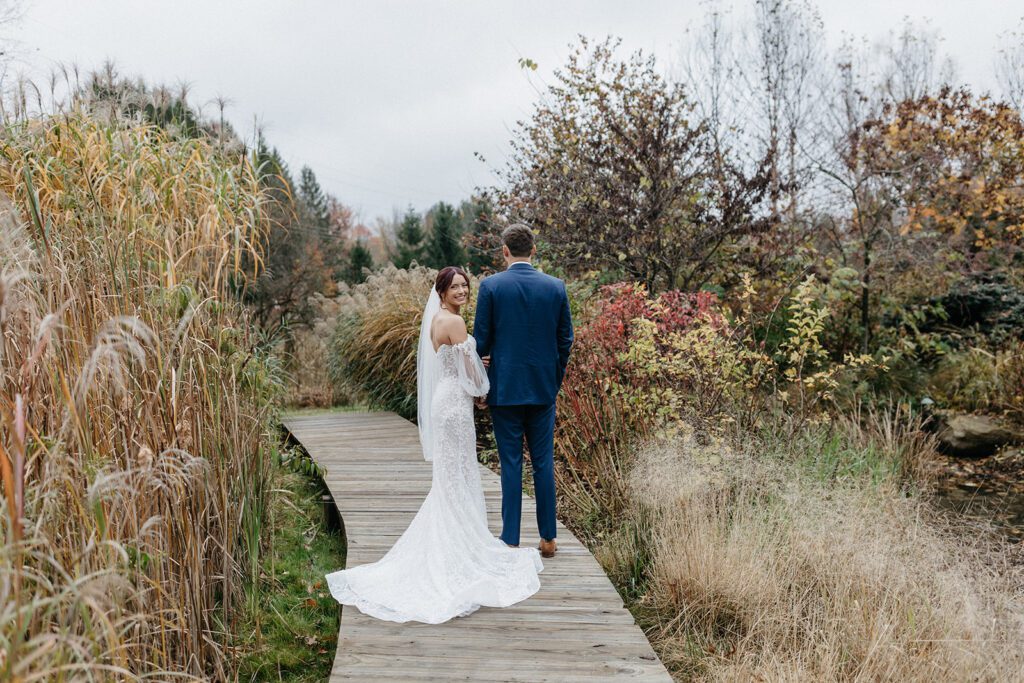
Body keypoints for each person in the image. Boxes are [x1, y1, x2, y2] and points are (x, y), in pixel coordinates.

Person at [324, 266, 542, 624]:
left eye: (464, 286)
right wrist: (484, 388)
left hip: (446, 401)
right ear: (440, 291)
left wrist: (474, 364)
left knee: (450, 477)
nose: (461, 291)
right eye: (454, 287)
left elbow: (458, 364)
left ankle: (453, 542)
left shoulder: (437, 320)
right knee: (458, 474)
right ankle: (458, 549)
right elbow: (473, 378)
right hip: (456, 407)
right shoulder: (454, 324)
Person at [473, 224, 574, 557]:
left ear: (504, 251)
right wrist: (553, 378)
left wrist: (482, 381)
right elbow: (565, 341)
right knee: (544, 463)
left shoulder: (490, 287)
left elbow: (481, 341)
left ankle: (511, 538)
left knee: (511, 462)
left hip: (505, 389)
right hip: (543, 390)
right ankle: (548, 539)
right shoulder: (555, 287)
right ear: (534, 250)